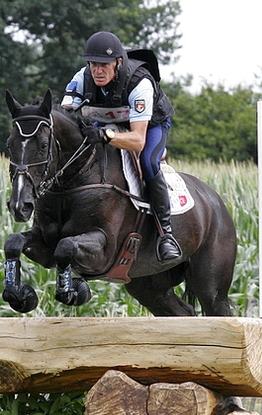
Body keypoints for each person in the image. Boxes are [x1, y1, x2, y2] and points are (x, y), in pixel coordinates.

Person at [61, 31, 181, 262]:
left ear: (117, 62)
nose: (97, 70)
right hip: (107, 121)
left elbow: (137, 140)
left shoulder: (140, 83)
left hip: (149, 126)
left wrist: (106, 136)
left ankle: (166, 234)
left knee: (147, 162)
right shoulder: (80, 78)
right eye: (93, 64)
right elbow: (65, 117)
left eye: (103, 65)